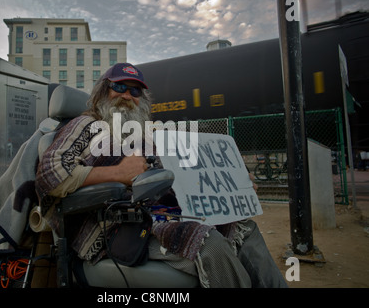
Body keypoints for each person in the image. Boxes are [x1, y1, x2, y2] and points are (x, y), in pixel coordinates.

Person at [35, 63, 287, 288]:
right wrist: (117, 172)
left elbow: (181, 176)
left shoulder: (147, 137)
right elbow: (49, 174)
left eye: (135, 91)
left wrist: (231, 186)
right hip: (117, 226)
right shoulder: (86, 125)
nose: (126, 95)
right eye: (119, 86)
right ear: (103, 91)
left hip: (162, 215)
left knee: (244, 228)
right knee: (209, 244)